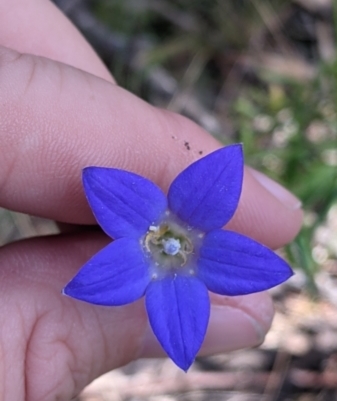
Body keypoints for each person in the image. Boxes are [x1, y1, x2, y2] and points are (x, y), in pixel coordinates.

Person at [0, 1, 303, 399]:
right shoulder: (143, 212)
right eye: (165, 238)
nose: (170, 242)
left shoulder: (198, 233)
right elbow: (103, 187)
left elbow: (245, 251)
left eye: (167, 240)